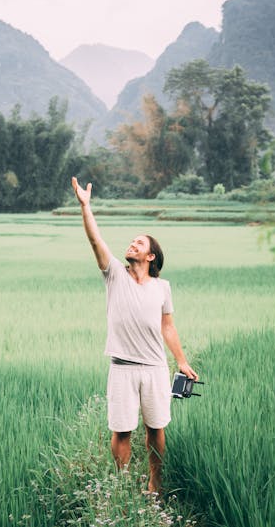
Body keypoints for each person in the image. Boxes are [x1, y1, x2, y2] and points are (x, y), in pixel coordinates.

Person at [71, 176, 198, 494]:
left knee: (156, 429)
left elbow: (167, 326)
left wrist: (181, 361)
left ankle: (155, 483)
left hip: (155, 368)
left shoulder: (162, 287)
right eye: (132, 241)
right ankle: (123, 485)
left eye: (140, 244)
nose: (132, 244)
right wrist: (86, 208)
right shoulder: (114, 274)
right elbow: (95, 241)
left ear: (151, 257)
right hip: (122, 368)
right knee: (122, 430)